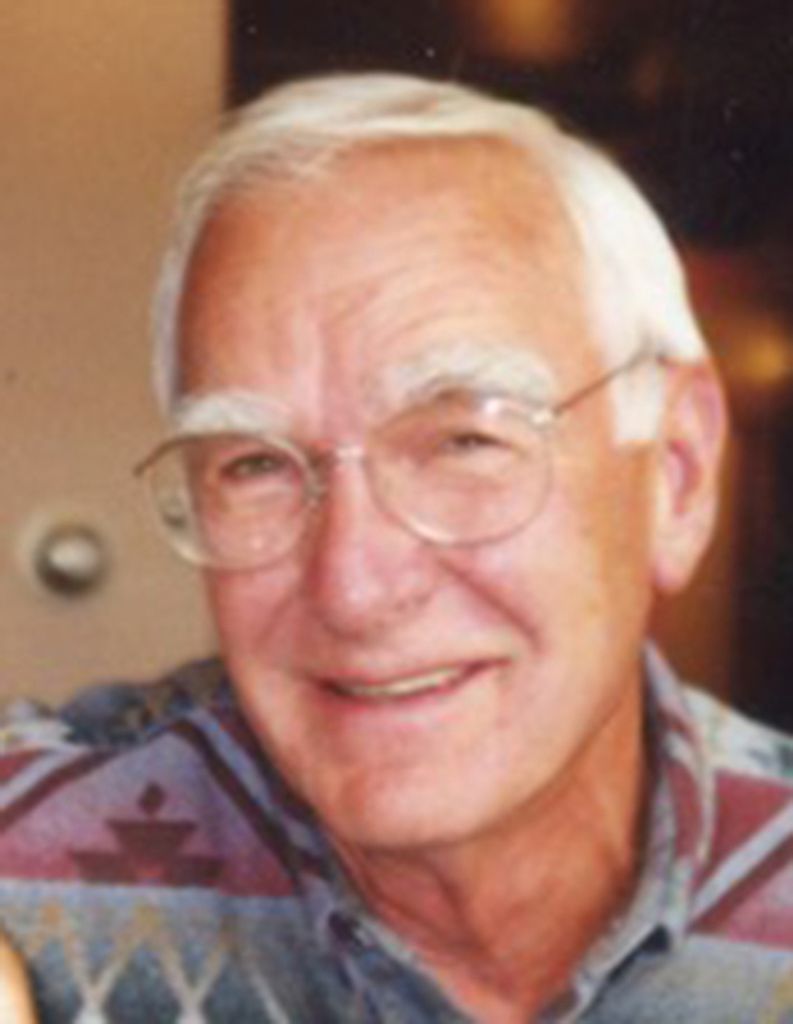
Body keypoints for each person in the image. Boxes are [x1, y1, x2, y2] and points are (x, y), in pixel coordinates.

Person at [1, 71, 791, 1024]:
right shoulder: (28, 866)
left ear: (677, 472)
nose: (353, 587)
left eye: (463, 442)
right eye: (256, 463)